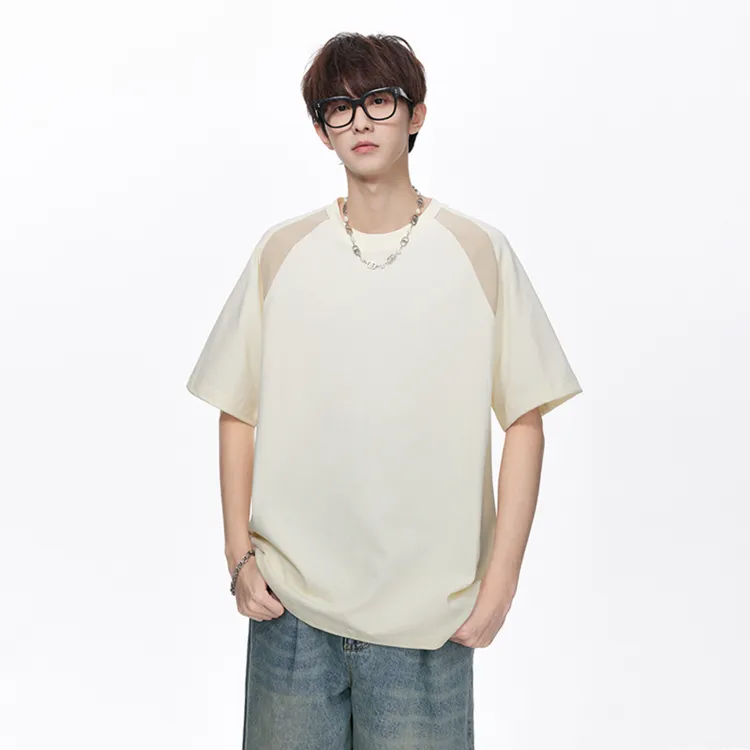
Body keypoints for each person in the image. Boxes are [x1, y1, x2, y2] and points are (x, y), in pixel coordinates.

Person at [186, 31, 582, 750]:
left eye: (378, 101)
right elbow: (235, 407)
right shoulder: (282, 252)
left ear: (416, 114)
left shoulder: (478, 251)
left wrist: (501, 586)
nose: (360, 121)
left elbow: (525, 418)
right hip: (292, 613)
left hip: (427, 620)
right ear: (321, 131)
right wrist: (238, 556)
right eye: (338, 109)